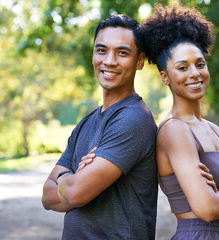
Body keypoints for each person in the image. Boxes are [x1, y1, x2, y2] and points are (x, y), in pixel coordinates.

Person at [140, 4, 219, 239]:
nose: (195, 73)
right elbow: (207, 209)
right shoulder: (174, 130)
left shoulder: (212, 129)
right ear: (165, 77)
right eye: (182, 67)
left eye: (200, 64)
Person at [41, 14, 158, 239]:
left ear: (140, 61)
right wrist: (75, 178)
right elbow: (46, 197)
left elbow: (74, 194)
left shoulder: (133, 119)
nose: (109, 61)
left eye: (122, 52)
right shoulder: (86, 123)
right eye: (102, 50)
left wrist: (66, 178)